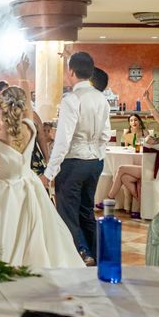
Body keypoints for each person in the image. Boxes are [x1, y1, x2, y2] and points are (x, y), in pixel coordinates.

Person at [0, 86, 84, 268]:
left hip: (4, 190)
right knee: (38, 235)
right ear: (24, 105)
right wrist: (23, 74)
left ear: (0, 105)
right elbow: (29, 111)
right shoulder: (30, 126)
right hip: (30, 185)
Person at [40, 52, 111, 266]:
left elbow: (62, 141)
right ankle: (97, 257)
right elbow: (106, 134)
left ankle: (80, 254)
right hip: (94, 162)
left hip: (73, 163)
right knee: (87, 211)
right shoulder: (101, 98)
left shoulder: (72, 99)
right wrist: (97, 155)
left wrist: (49, 173)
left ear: (71, 72)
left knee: (67, 213)